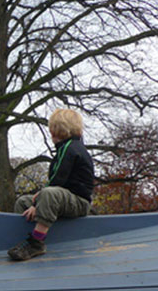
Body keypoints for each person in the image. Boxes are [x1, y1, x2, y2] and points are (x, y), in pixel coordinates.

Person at [7, 108, 94, 261]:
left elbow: (58, 178)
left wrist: (37, 202)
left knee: (48, 194)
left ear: (56, 131)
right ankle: (24, 239)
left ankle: (36, 243)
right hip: (64, 200)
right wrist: (34, 202)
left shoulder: (70, 148)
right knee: (23, 202)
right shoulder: (65, 148)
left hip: (79, 202)